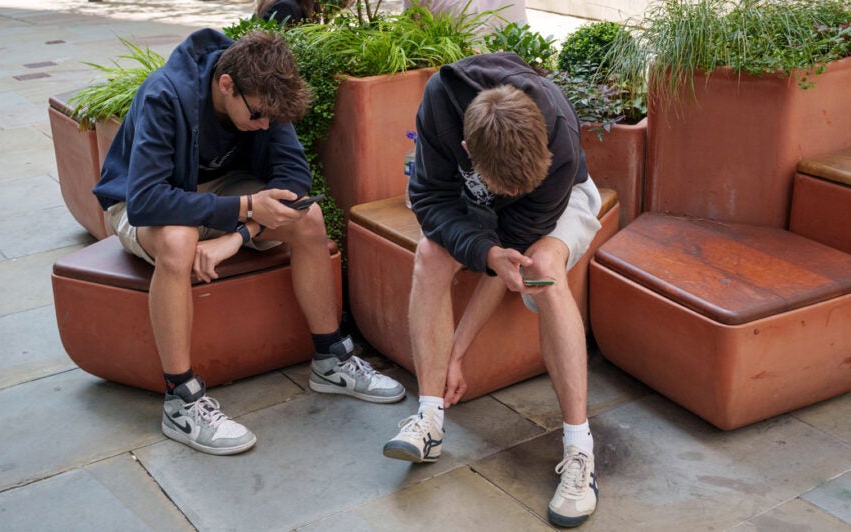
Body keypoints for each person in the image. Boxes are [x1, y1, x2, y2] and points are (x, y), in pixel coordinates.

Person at [92, 28, 405, 456]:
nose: (264, 126)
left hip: (223, 195)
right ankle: (181, 400)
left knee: (308, 218)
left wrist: (238, 236)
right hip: (141, 201)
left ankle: (331, 358)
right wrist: (244, 208)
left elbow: (295, 181)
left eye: (270, 120)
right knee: (180, 242)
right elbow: (147, 200)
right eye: (257, 116)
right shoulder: (166, 94)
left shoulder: (265, 95)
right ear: (226, 85)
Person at [381, 52, 601, 527]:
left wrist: (458, 349)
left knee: (542, 268)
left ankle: (580, 450)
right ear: (465, 146)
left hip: (563, 199)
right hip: (474, 201)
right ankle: (429, 417)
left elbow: (515, 260)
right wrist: (484, 251)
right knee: (430, 254)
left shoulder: (557, 133)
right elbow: (429, 199)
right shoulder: (440, 103)